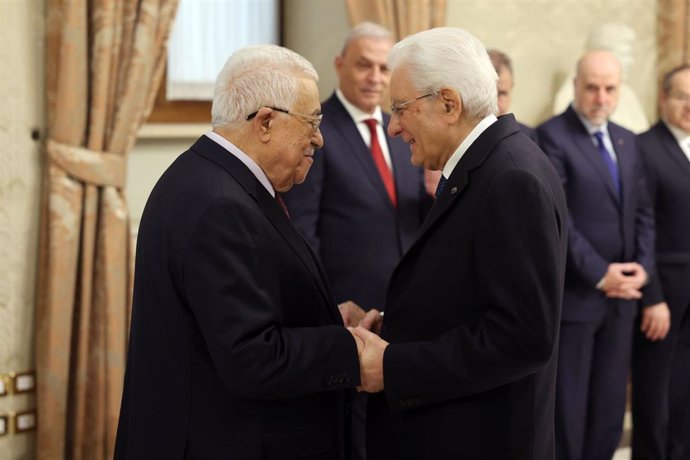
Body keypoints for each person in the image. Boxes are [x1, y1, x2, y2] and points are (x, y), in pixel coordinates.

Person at [114, 44, 363, 459]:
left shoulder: (209, 179)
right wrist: (351, 350)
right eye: (311, 122)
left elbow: (229, 317)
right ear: (265, 121)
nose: (319, 138)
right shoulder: (221, 205)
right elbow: (252, 358)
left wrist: (326, 321)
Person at [350, 27, 568, 459]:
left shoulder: (510, 178)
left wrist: (393, 366)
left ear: (448, 104)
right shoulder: (488, 164)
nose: (392, 127)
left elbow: (522, 338)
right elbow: (466, 294)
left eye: (400, 109)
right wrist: (393, 327)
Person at [283, 21, 430, 460]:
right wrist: (331, 306)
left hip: (402, 313)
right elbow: (302, 231)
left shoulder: (401, 127)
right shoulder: (318, 132)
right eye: (364, 65)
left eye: (385, 68)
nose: (375, 77)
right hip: (349, 314)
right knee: (357, 437)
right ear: (340, 65)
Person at [536, 50, 656, 460]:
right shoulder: (550, 136)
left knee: (608, 409)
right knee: (569, 410)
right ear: (576, 86)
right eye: (592, 87)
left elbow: (643, 211)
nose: (601, 97)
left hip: (622, 302)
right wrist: (601, 273)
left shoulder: (627, 139)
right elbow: (559, 217)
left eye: (610, 88)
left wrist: (641, 270)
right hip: (578, 299)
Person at [631, 63, 690, 460]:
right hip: (663, 292)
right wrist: (652, 295)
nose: (689, 105)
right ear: (664, 98)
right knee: (656, 393)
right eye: (683, 96)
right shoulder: (642, 147)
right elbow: (640, 227)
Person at [553, 22, 650, 133]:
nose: (631, 61)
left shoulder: (628, 93)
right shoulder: (567, 93)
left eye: (610, 89)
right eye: (624, 54)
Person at [487, 48, 539, 143]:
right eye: (489, 94)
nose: (494, 103)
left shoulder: (528, 137)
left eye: (502, 93)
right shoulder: (459, 137)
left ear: (511, 88)